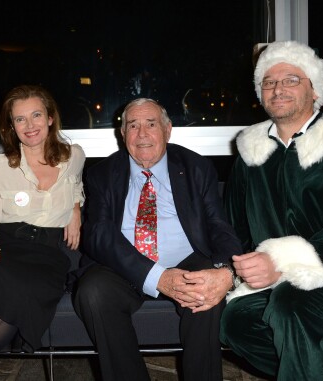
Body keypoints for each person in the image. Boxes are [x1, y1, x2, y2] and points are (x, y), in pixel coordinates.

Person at [220, 40, 323, 380]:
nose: (278, 88)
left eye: (291, 79)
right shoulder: (250, 153)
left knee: (291, 305)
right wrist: (232, 269)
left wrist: (282, 262)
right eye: (269, 81)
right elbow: (233, 227)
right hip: (269, 282)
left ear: (315, 91)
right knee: (234, 323)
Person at [73, 98, 242, 381]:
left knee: (205, 289)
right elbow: (98, 234)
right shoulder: (102, 173)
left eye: (151, 124)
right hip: (123, 266)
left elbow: (219, 227)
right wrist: (156, 276)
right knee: (93, 292)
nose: (142, 134)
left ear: (168, 130)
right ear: (122, 133)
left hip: (187, 260)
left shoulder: (196, 168)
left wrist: (226, 270)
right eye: (133, 125)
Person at [0, 85, 85, 381]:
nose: (29, 125)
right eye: (20, 119)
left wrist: (75, 207)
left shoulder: (74, 155)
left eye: (36, 115)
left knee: (19, 292)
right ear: (11, 126)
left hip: (46, 257)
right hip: (6, 245)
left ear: (50, 118)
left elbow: (75, 182)